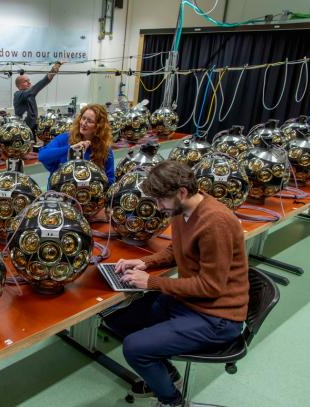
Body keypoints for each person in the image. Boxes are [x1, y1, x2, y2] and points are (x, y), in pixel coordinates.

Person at [103, 160, 249, 407]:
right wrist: (144, 262)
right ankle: (166, 374)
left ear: (182, 192)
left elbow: (210, 287)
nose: (159, 207)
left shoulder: (215, 222)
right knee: (117, 321)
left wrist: (152, 282)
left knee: (134, 347)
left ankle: (172, 401)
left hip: (217, 316)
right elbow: (175, 248)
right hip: (190, 302)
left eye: (161, 200)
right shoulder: (183, 210)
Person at [38, 103, 115, 183]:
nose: (84, 123)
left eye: (89, 121)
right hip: (60, 192)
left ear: (98, 127)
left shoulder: (104, 149)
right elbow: (42, 156)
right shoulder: (65, 138)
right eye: (83, 118)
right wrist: (70, 149)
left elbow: (110, 179)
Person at [13, 62, 61, 135]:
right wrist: (52, 71)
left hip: (31, 129)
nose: (29, 83)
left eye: (29, 81)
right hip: (23, 131)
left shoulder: (30, 95)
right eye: (26, 81)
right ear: (19, 86)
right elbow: (39, 85)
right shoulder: (18, 95)